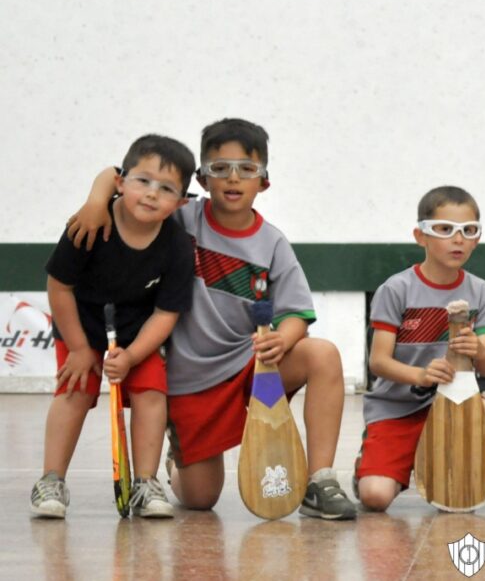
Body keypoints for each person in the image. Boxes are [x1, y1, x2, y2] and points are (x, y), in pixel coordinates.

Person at [68, 119, 357, 519]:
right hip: (191, 384)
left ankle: (320, 480)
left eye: (246, 169)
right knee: (201, 499)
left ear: (264, 182)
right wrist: (96, 200)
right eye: (220, 169)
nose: (233, 178)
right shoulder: (181, 218)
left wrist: (283, 339)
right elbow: (120, 177)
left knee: (322, 353)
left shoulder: (272, 242)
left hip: (251, 369)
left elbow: (297, 315)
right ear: (202, 180)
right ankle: (176, 462)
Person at [32, 134, 196, 519]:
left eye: (167, 188)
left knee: (152, 395)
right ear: (121, 182)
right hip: (81, 329)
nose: (152, 193)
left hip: (137, 337)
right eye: (143, 181)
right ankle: (50, 481)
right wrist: (77, 348)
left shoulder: (177, 245)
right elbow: (59, 286)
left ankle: (146, 484)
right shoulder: (90, 223)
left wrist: (134, 355)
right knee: (73, 391)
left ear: (182, 203)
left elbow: (165, 314)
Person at [354, 186, 485, 511]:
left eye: (468, 231)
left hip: (452, 405)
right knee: (374, 497)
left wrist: (477, 349)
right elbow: (378, 362)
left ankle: (451, 475)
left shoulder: (482, 292)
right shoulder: (396, 289)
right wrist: (420, 374)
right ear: (421, 236)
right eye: (445, 230)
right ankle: (377, 465)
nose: (458, 240)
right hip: (396, 409)